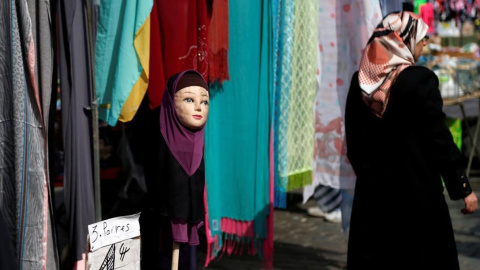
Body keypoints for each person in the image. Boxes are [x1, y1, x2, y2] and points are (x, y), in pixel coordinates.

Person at [345, 11, 478, 269]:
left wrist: (371, 178)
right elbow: (439, 140)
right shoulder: (419, 81)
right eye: (423, 37)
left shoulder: (360, 83)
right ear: (402, 38)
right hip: (417, 201)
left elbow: (354, 144)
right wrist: (463, 187)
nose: (426, 42)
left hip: (372, 205)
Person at [140, 70, 210, 270]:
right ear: (172, 102)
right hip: (161, 224)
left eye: (205, 102)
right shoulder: (158, 128)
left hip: (190, 220)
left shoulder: (199, 138)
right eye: (189, 99)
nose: (199, 107)